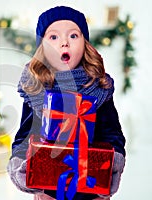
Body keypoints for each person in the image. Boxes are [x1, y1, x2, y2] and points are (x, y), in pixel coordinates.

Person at [7, 6, 126, 200]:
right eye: (53, 37)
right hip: (49, 189)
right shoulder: (36, 88)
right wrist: (21, 165)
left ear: (85, 43)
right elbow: (25, 135)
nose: (64, 43)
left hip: (90, 187)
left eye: (73, 36)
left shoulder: (99, 87)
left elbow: (113, 135)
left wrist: (110, 169)